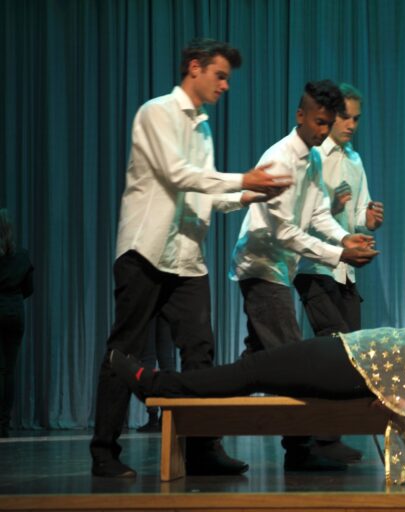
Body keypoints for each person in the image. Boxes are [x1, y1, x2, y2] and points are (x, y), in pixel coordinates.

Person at [90, 38, 292, 478]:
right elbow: (179, 175)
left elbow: (205, 193)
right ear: (194, 68)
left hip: (186, 259)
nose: (225, 85)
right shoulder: (157, 112)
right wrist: (242, 179)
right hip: (145, 251)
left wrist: (249, 195)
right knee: (125, 348)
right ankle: (104, 450)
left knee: (200, 351)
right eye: (220, 75)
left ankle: (202, 448)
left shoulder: (202, 128)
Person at [109, 325, 405, 484]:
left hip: (353, 367)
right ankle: (158, 385)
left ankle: (154, 384)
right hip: (353, 358)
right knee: (253, 371)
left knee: (252, 371)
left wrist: (399, 405)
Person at [229, 80, 379, 471]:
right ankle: (299, 448)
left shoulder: (312, 160)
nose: (323, 131)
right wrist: (338, 253)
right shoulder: (280, 159)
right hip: (261, 266)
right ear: (300, 115)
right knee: (293, 360)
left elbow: (317, 215)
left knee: (254, 359)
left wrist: (344, 236)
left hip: (279, 267)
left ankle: (202, 434)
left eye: (328, 123)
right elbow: (284, 232)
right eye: (318, 122)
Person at [292, 83, 383, 463]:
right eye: (345, 116)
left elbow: (358, 213)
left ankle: (330, 436)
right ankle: (315, 439)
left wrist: (368, 219)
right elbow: (304, 214)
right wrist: (331, 205)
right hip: (314, 266)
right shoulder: (315, 154)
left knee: (352, 353)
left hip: (345, 271)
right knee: (332, 347)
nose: (350, 124)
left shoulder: (354, 160)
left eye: (356, 118)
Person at [0, 209, 34, 438]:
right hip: (14, 313)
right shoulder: (22, 255)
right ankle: (4, 424)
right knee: (8, 370)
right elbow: (29, 289)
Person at [136, 316, 176, 433]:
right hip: (164, 309)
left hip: (148, 309)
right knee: (167, 360)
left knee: (148, 359)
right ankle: (166, 415)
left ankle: (153, 417)